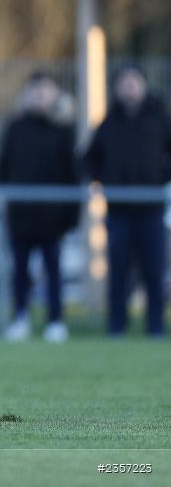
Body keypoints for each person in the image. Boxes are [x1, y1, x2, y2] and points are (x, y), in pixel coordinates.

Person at [84, 65, 171, 338]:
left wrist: (160, 178)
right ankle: (116, 326)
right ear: (117, 88)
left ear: (143, 85)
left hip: (151, 209)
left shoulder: (159, 119)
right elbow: (89, 159)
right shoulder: (109, 123)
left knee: (153, 269)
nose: (130, 87)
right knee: (118, 269)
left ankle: (155, 326)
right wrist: (104, 180)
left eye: (134, 81)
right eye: (124, 82)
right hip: (118, 210)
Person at [0, 71, 79, 343]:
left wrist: (71, 215)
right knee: (20, 271)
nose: (40, 96)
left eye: (46, 90)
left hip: (53, 218)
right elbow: (1, 167)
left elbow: (73, 174)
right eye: (35, 90)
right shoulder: (15, 128)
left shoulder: (64, 130)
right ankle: (21, 318)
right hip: (21, 216)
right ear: (27, 95)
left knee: (54, 272)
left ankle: (55, 321)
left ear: (55, 94)